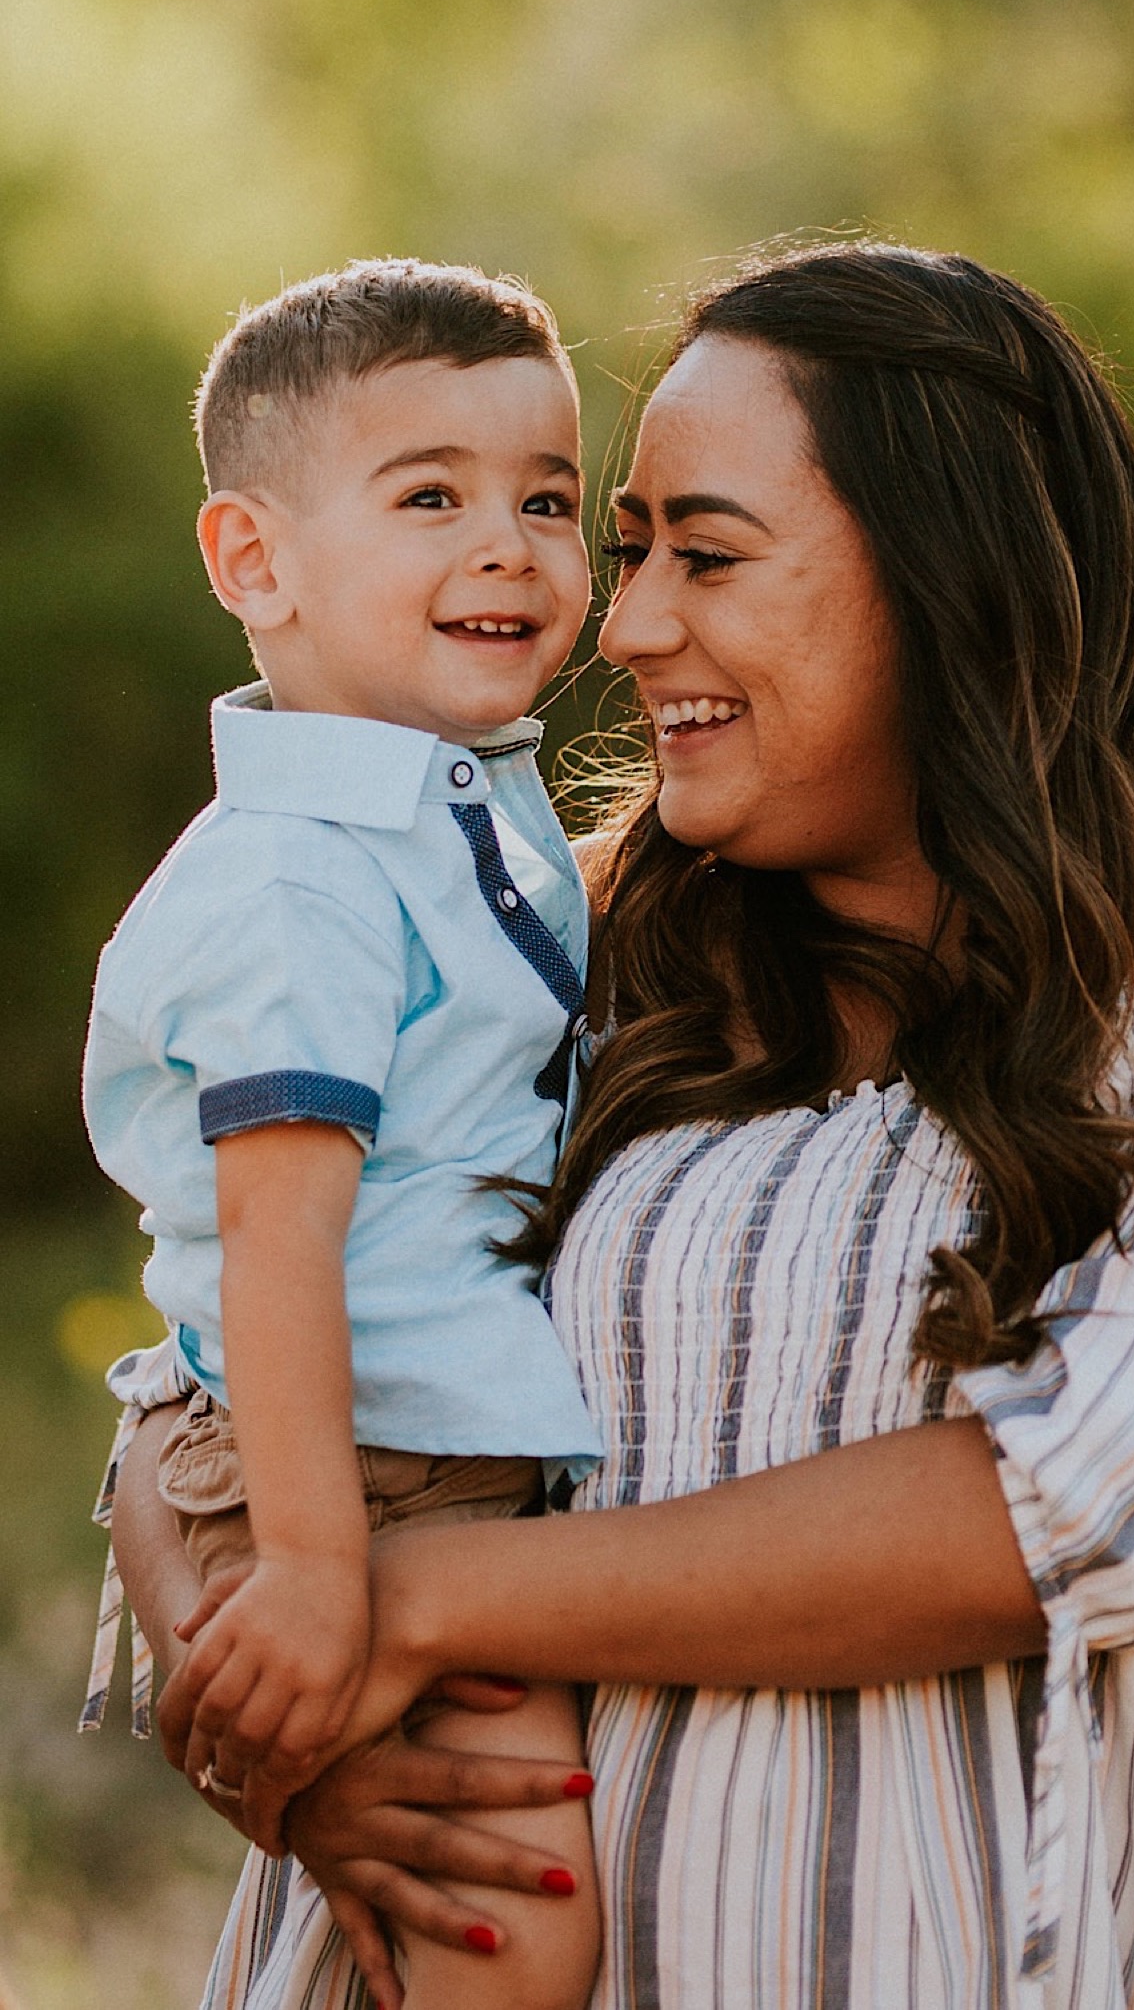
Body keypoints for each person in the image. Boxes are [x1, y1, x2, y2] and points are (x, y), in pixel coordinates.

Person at [114, 239, 1134, 2010]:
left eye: (703, 551)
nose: (621, 623)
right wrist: (249, 1667)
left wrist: (417, 1596)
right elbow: (214, 1331)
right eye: (627, 549)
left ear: (951, 577)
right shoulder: (555, 923)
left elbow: (1089, 1503)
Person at [84, 261, 603, 2010]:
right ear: (255, 563)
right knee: (507, 1915)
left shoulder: (454, 816)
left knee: (434, 1929)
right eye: (432, 496)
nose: (511, 544)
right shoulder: (303, 875)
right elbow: (279, 1237)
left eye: (547, 497)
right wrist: (313, 1567)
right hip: (360, 1475)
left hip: (411, 1453)